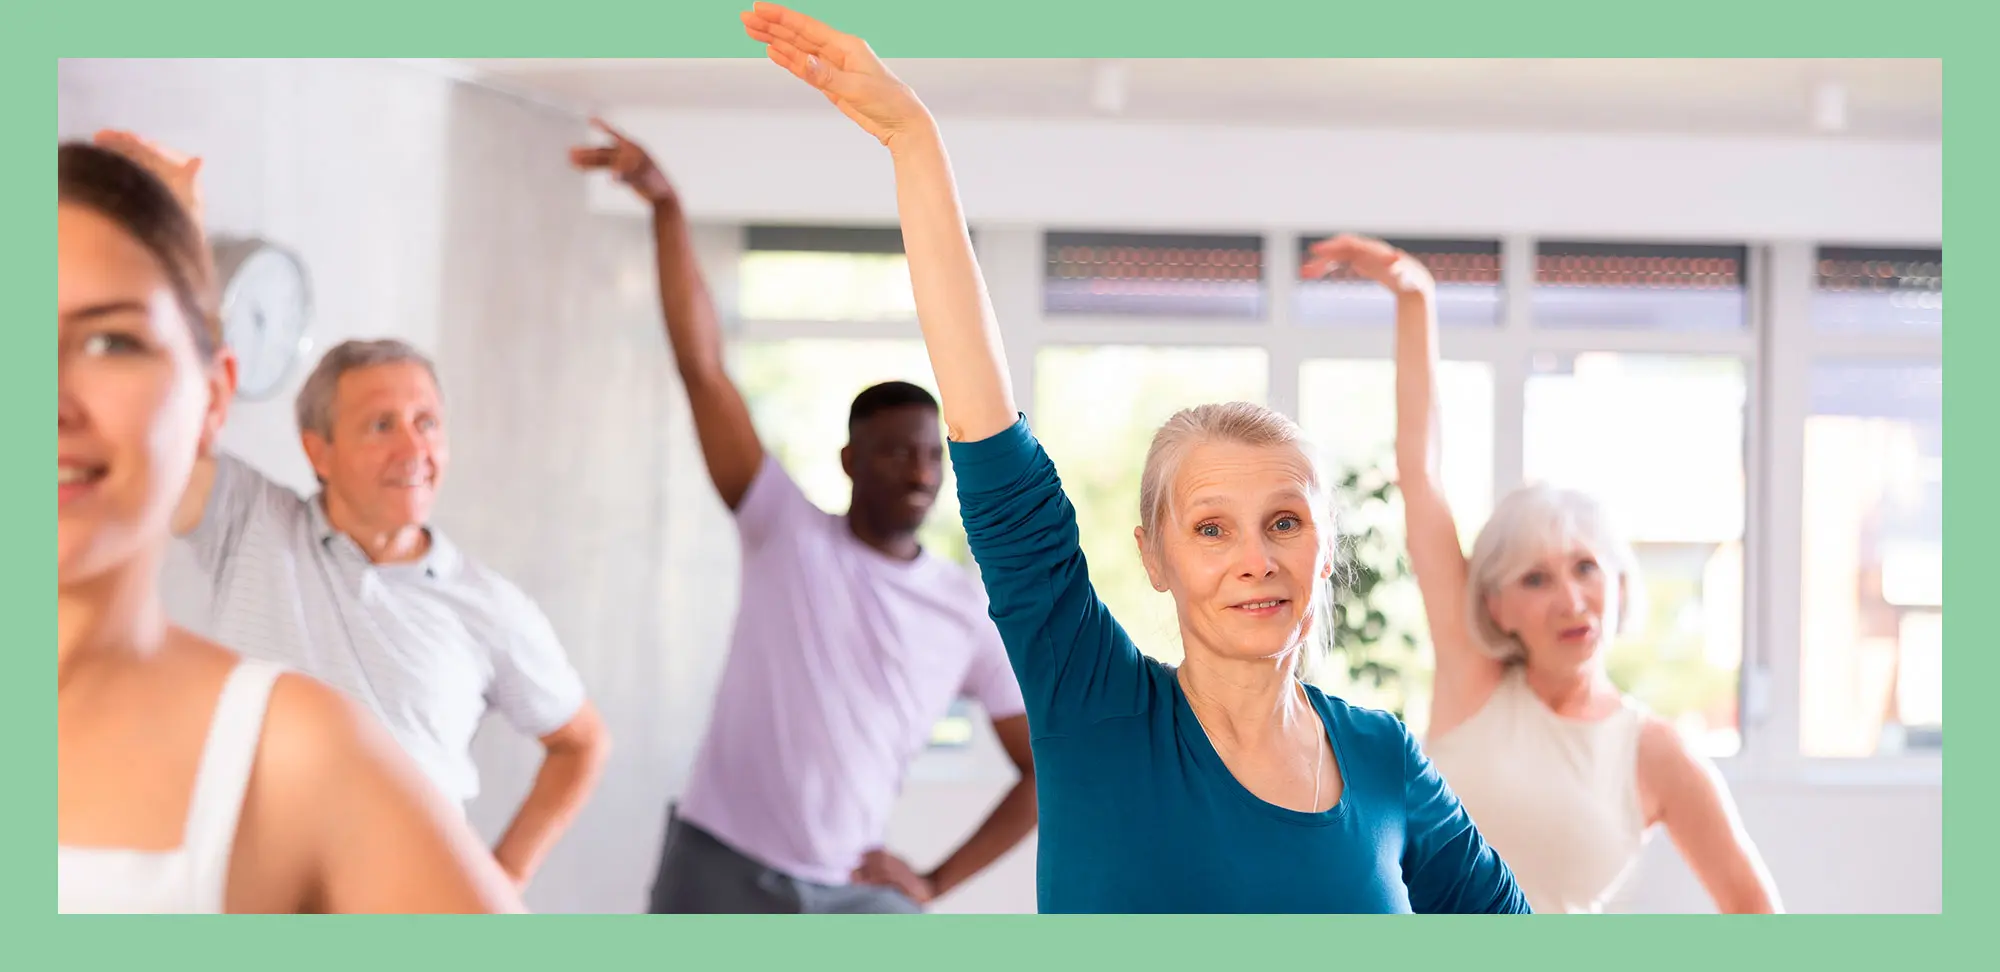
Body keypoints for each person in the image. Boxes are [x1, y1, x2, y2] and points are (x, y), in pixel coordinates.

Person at [738, 3, 1528, 914]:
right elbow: (993, 445)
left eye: (1284, 522)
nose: (1255, 559)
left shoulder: (1384, 759)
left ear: (1323, 543)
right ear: (1154, 555)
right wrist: (913, 140)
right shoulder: (1096, 707)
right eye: (1210, 528)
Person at [570, 118, 1038, 914]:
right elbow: (704, 371)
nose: (921, 472)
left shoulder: (965, 607)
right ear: (851, 460)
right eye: (895, 452)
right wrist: (666, 208)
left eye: (933, 455)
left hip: (855, 896)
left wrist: (934, 882)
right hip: (718, 866)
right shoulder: (783, 528)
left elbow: (1045, 770)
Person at [126, 137, 610, 892]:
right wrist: (177, 225)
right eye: (381, 425)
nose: (413, 448)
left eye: (427, 422)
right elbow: (165, 417)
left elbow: (581, 743)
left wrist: (501, 877)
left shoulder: (489, 605)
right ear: (317, 449)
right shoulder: (250, 523)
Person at [1301, 232, 1783, 913]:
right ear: (1496, 606)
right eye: (1535, 579)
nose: (1570, 598)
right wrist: (1418, 298)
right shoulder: (1476, 679)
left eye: (1586, 568)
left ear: (1618, 585)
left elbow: (1756, 909)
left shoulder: (1656, 752)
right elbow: (1421, 470)